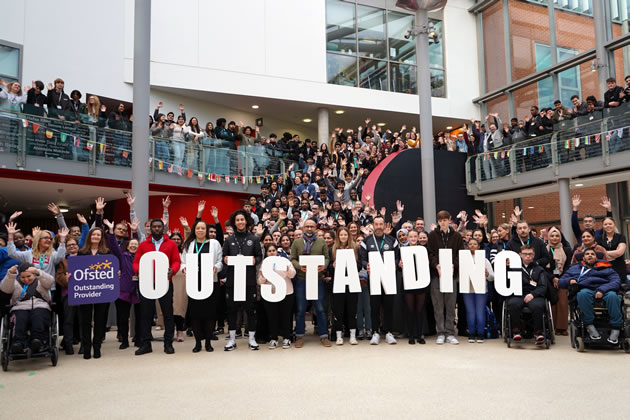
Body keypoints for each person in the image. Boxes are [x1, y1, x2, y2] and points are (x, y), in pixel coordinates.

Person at [133, 219, 181, 355]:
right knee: (145, 315)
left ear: (163, 228)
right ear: (150, 229)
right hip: (147, 284)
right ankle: (146, 344)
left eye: (159, 226)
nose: (157, 228)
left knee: (167, 314)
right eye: (154, 226)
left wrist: (173, 270)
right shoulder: (143, 245)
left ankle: (168, 343)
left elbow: (176, 260)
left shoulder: (171, 244)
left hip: (165, 283)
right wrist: (139, 271)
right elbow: (136, 262)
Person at [559, 249, 623, 344]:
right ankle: (589, 325)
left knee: (613, 296)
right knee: (582, 294)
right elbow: (561, 281)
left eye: (592, 254)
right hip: (586, 289)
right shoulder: (575, 268)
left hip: (605, 289)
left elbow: (616, 281)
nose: (590, 256)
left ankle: (616, 328)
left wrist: (602, 290)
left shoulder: (607, 268)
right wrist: (570, 280)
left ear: (596, 257)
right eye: (587, 254)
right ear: (583, 257)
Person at [222, 210, 263, 351]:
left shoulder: (254, 239)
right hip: (232, 281)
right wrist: (225, 259)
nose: (240, 222)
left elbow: (259, 257)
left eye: (242, 219)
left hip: (249, 281)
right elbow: (224, 257)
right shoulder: (229, 240)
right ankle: (232, 339)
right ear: (234, 222)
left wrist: (254, 260)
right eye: (237, 220)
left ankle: (251, 339)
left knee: (250, 310)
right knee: (232, 310)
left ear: (246, 221)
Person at [181, 219, 223, 353]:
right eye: (198, 228)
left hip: (210, 282)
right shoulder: (189, 244)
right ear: (194, 230)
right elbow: (183, 262)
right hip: (194, 283)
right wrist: (184, 269)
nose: (200, 231)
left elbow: (220, 261)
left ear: (206, 231)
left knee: (210, 313)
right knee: (195, 314)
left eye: (203, 228)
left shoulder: (214, 244)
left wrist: (216, 268)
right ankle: (198, 342)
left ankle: (208, 342)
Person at [291, 218, 331, 347]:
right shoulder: (296, 242)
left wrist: (323, 266)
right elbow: (292, 259)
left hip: (317, 280)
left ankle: (324, 336)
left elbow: (327, 258)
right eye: (307, 226)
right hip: (302, 280)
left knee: (320, 308)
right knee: (301, 309)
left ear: (315, 228)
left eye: (312, 226)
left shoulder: (321, 242)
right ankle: (299, 336)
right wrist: (299, 266)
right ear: (303, 228)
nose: (309, 229)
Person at [360, 215, 400, 345]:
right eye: (376, 224)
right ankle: (375, 332)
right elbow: (363, 259)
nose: (378, 227)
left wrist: (393, 264)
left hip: (388, 277)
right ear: (372, 225)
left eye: (381, 224)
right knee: (375, 306)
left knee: (389, 305)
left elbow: (397, 257)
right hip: (374, 278)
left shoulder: (392, 240)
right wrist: (367, 265)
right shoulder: (366, 241)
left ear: (384, 225)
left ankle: (388, 332)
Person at [427, 210, 464, 345]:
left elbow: (460, 253)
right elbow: (430, 254)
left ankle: (450, 332)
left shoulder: (457, 237)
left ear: (450, 220)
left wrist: (454, 265)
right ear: (438, 222)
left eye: (445, 220)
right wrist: (436, 265)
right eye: (440, 220)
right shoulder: (432, 235)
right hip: (437, 275)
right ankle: (441, 332)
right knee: (438, 305)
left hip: (452, 276)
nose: (443, 223)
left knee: (450, 304)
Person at [103, 219, 141, 350]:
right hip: (123, 291)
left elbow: (137, 242)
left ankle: (138, 338)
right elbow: (113, 245)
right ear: (127, 245)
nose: (133, 246)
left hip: (138, 290)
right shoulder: (122, 255)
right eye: (131, 244)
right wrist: (112, 231)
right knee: (123, 318)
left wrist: (135, 231)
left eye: (136, 244)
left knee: (140, 317)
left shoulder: (142, 258)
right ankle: (124, 340)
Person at [0, 264, 54, 354]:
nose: (26, 279)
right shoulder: (16, 282)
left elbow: (50, 281)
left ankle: (38, 340)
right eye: (23, 277)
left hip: (40, 305)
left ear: (33, 274)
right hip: (20, 306)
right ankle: (19, 342)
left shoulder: (40, 281)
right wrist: (10, 275)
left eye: (29, 276)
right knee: (20, 318)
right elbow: (5, 289)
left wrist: (38, 272)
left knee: (38, 316)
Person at [76, 227, 110, 359]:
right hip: (85, 292)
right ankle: (86, 348)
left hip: (102, 291)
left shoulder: (107, 252)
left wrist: (115, 273)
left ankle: (97, 347)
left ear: (101, 238)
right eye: (94, 234)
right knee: (85, 321)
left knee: (100, 320)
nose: (96, 237)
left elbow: (110, 270)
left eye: (98, 235)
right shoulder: (82, 252)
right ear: (89, 236)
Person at [506, 245, 548, 345]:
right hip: (518, 294)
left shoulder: (539, 269)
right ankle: (516, 331)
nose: (527, 256)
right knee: (513, 304)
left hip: (534, 294)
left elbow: (543, 286)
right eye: (525, 254)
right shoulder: (514, 267)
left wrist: (533, 294)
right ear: (520, 255)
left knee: (538, 306)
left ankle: (538, 332)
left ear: (534, 255)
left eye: (530, 254)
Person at [258, 243, 296, 349]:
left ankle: (286, 338)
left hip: (286, 292)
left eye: (273, 251)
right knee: (272, 316)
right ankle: (273, 338)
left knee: (286, 316)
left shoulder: (285, 261)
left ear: (276, 251)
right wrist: (262, 276)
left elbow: (292, 275)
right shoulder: (264, 264)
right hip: (270, 294)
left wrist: (288, 268)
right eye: (269, 251)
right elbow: (260, 282)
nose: (271, 253)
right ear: (266, 253)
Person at [461, 238, 494, 343]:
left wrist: (487, 274)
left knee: (480, 311)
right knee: (470, 312)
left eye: (475, 244)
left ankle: (480, 333)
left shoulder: (484, 260)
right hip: (468, 289)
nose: (472, 245)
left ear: (479, 246)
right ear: (467, 246)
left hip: (481, 289)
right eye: (470, 244)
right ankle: (471, 333)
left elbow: (492, 277)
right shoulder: (463, 259)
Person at [331, 227, 360, 345]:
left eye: (345, 235)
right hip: (338, 284)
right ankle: (339, 336)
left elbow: (359, 267)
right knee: (338, 311)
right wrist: (333, 266)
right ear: (338, 237)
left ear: (348, 236)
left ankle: (353, 336)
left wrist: (353, 264)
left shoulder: (355, 249)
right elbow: (328, 267)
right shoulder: (332, 249)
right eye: (341, 235)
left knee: (352, 310)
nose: (343, 237)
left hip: (352, 283)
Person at [545, 227, 573, 336]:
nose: (554, 238)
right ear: (548, 237)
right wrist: (553, 278)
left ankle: (562, 327)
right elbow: (543, 267)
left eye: (557, 236)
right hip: (549, 279)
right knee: (553, 302)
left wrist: (561, 279)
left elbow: (569, 266)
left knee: (563, 302)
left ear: (560, 237)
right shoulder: (545, 249)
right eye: (552, 236)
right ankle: (554, 326)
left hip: (563, 279)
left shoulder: (566, 249)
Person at [402, 229, 428, 344]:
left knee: (420, 310)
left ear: (418, 238)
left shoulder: (423, 250)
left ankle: (420, 334)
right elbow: (399, 264)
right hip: (409, 283)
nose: (413, 239)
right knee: (410, 310)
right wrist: (400, 264)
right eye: (411, 237)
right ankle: (411, 334)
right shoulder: (403, 251)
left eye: (415, 237)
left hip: (421, 283)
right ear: (407, 238)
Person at [55, 237, 80, 355]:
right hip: (68, 294)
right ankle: (68, 345)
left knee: (83, 321)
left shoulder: (86, 259)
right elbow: (58, 277)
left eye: (74, 244)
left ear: (78, 246)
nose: (72, 246)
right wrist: (65, 280)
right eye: (69, 245)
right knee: (68, 321)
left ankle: (84, 345)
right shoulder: (62, 261)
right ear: (66, 248)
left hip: (84, 294)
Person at [597, 217, 627, 285]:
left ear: (614, 225)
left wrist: (604, 252)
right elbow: (598, 254)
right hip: (604, 268)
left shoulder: (621, 237)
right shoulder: (599, 238)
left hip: (619, 268)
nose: (608, 226)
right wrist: (614, 253)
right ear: (603, 226)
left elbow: (620, 252)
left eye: (610, 224)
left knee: (619, 287)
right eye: (605, 224)